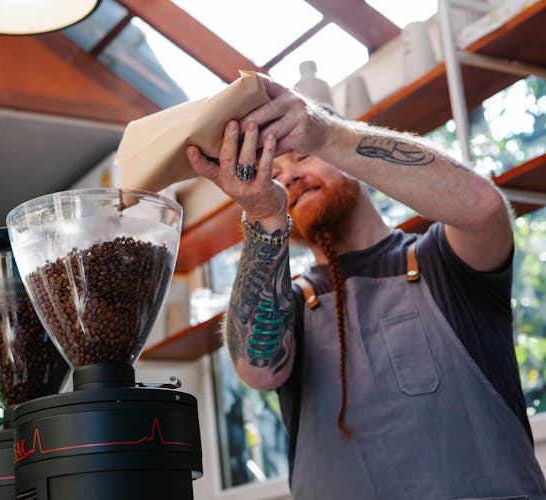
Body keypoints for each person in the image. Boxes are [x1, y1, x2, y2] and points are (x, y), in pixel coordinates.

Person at [185, 74, 546, 499]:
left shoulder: (445, 263)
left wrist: (324, 133)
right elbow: (257, 369)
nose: (290, 178)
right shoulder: (292, 306)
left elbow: (483, 208)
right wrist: (265, 218)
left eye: (301, 157)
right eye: (275, 174)